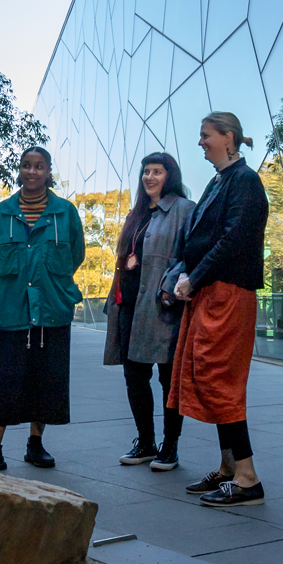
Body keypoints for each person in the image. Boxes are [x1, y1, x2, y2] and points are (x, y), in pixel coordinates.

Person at [170, 112, 270, 506]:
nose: (201, 143)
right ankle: (229, 468)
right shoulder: (221, 180)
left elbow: (233, 240)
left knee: (219, 379)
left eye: (205, 135)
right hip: (211, 293)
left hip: (228, 293)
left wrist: (193, 278)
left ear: (228, 137)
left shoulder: (244, 181)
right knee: (208, 375)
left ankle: (247, 479)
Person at [0, 146, 85, 471]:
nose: (32, 171)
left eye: (39, 166)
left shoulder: (65, 212)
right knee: (5, 378)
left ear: (49, 172)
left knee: (46, 378)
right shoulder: (3, 212)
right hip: (13, 309)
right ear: (19, 170)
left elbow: (75, 254)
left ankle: (36, 445)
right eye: (26, 165)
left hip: (52, 306)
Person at [101, 152, 195, 471]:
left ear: (171, 175)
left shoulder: (184, 209)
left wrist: (170, 281)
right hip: (129, 304)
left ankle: (170, 447)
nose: (150, 177)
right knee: (134, 376)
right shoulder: (137, 213)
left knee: (169, 378)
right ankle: (145, 442)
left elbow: (193, 255)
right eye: (146, 172)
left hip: (162, 304)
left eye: (157, 171)